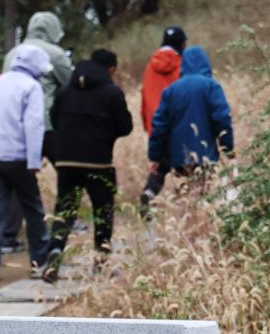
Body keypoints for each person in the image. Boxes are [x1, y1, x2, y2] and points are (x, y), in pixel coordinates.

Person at [43, 49, 133, 282]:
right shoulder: (112, 92)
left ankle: (54, 252)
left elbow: (54, 120)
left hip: (66, 161)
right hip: (98, 162)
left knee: (64, 211)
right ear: (111, 69)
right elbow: (125, 126)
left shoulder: (65, 91)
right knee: (103, 212)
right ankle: (100, 263)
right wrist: (106, 134)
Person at [0, 44, 53, 285]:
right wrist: (34, 159)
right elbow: (34, 125)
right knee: (33, 210)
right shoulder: (31, 87)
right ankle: (40, 263)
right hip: (17, 157)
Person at [0, 11, 73, 253]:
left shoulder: (12, 54)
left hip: (17, 127)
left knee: (17, 180)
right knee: (68, 173)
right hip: (48, 124)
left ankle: (8, 236)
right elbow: (69, 85)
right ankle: (65, 221)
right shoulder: (56, 54)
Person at [147, 46, 233, 185]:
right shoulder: (211, 86)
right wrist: (228, 147)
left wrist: (155, 156)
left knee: (187, 192)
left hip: (179, 158)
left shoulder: (170, 91)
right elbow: (222, 119)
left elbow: (159, 126)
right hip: (207, 155)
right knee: (205, 193)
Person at [138, 25, 186, 214]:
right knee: (185, 168)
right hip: (178, 124)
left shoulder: (150, 66)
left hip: (155, 124)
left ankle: (149, 193)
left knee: (159, 166)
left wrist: (147, 125)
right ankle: (187, 209)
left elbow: (144, 96)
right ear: (182, 43)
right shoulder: (181, 64)